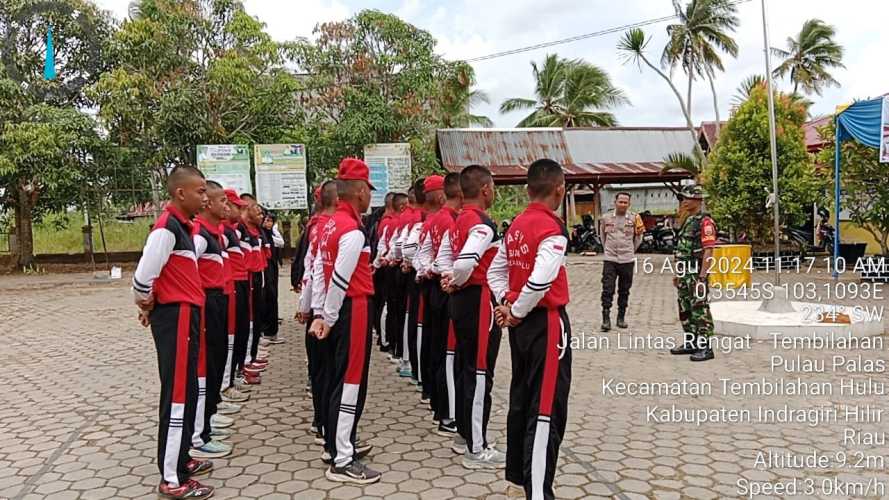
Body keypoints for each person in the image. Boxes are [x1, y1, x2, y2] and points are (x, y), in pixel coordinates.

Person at [488, 159, 572, 500]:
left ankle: (522, 478)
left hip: (520, 327)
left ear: (527, 190)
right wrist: (518, 310)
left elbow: (496, 272)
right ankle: (538, 492)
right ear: (560, 189)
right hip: (545, 324)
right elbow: (541, 279)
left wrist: (505, 304)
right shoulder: (553, 228)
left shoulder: (516, 226)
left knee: (523, 399)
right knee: (546, 410)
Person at [132, 166, 214, 500]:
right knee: (178, 396)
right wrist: (146, 304)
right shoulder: (166, 229)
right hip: (176, 316)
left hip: (186, 315)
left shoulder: (183, 227)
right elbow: (142, 277)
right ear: (181, 193)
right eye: (200, 191)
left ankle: (181, 460)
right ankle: (171, 478)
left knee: (189, 391)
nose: (204, 197)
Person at [309, 158, 381, 484]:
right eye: (369, 191)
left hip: (339, 309)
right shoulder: (352, 230)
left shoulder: (327, 225)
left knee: (339, 378)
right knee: (351, 383)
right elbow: (339, 277)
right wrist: (329, 315)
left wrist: (321, 311)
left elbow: (318, 272)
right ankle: (342, 458)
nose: (370, 198)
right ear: (361, 191)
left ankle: (337, 443)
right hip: (353, 308)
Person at [443, 164, 505, 470]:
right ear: (484, 190)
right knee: (480, 373)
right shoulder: (481, 224)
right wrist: (457, 278)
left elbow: (445, 256)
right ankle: (476, 448)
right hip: (479, 301)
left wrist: (450, 277)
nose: (494, 192)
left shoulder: (458, 220)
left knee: (467, 369)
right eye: (492, 187)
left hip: (462, 301)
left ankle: (464, 435)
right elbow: (465, 261)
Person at [416, 173, 462, 436]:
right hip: (444, 288)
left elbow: (422, 254)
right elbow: (448, 258)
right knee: (448, 352)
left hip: (432, 286)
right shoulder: (448, 221)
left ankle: (437, 403)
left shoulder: (431, 221)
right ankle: (448, 414)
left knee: (436, 346)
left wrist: (425, 271)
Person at [297, 181, 338, 448]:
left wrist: (305, 306)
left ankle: (321, 422)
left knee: (320, 370)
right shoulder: (327, 229)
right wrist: (322, 313)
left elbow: (307, 271)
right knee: (329, 372)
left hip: (316, 310)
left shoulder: (317, 227)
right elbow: (317, 273)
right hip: (326, 313)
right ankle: (327, 427)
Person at [668, 185, 717, 362]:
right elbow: (682, 250)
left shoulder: (705, 222)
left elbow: (709, 251)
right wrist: (678, 274)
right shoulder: (689, 220)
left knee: (700, 309)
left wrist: (702, 278)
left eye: (688, 198)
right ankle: (691, 341)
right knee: (685, 309)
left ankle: (705, 347)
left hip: (697, 274)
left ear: (698, 200)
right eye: (683, 198)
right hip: (685, 274)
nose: (685, 201)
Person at [219, 191, 249, 407]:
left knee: (236, 335)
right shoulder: (219, 232)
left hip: (235, 285)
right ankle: (223, 388)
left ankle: (230, 379)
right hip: (223, 290)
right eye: (236, 206)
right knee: (226, 341)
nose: (240, 211)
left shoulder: (229, 232)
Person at [599, 192, 644, 331]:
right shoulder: (605, 218)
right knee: (607, 289)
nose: (623, 204)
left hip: (627, 259)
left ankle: (621, 317)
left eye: (625, 202)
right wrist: (607, 250)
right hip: (610, 259)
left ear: (629, 204)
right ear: (615, 202)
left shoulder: (635, 218)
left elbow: (638, 238)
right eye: (620, 202)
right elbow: (602, 236)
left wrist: (630, 251)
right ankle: (606, 319)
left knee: (624, 290)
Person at [399, 178, 428, 386]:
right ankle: (416, 369)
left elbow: (400, 245)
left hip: (408, 270)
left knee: (407, 315)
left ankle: (405, 360)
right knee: (419, 321)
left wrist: (406, 261)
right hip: (424, 277)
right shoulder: (421, 219)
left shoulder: (404, 219)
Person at [378, 193, 408, 360]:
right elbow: (396, 246)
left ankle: (389, 343)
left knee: (390, 307)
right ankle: (390, 343)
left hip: (387, 264)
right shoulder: (397, 223)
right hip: (395, 267)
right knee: (393, 308)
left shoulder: (386, 222)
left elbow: (382, 245)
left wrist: (379, 261)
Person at [371, 193, 397, 353]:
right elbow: (384, 247)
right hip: (387, 267)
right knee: (386, 304)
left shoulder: (382, 222)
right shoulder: (389, 223)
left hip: (382, 265)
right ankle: (385, 339)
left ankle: (383, 336)